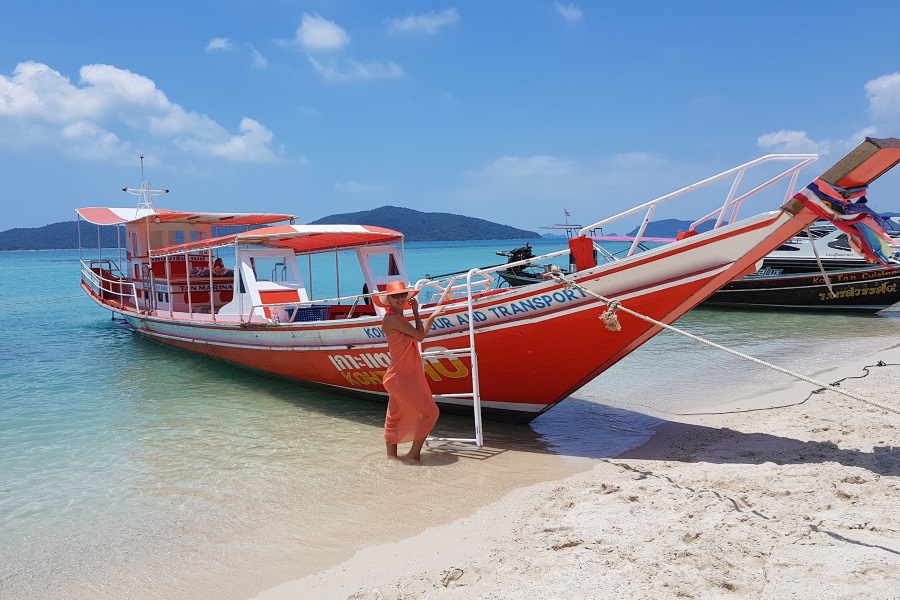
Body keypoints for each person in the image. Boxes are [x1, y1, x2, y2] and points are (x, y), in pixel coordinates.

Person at [374, 280, 445, 464]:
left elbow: (418, 336)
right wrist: (430, 317)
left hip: (402, 375)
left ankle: (392, 459)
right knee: (430, 412)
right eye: (395, 296)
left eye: (402, 295)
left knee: (395, 416)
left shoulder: (399, 318)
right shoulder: (393, 319)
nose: (400, 298)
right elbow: (420, 336)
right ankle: (413, 455)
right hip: (401, 376)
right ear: (388, 299)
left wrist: (415, 313)